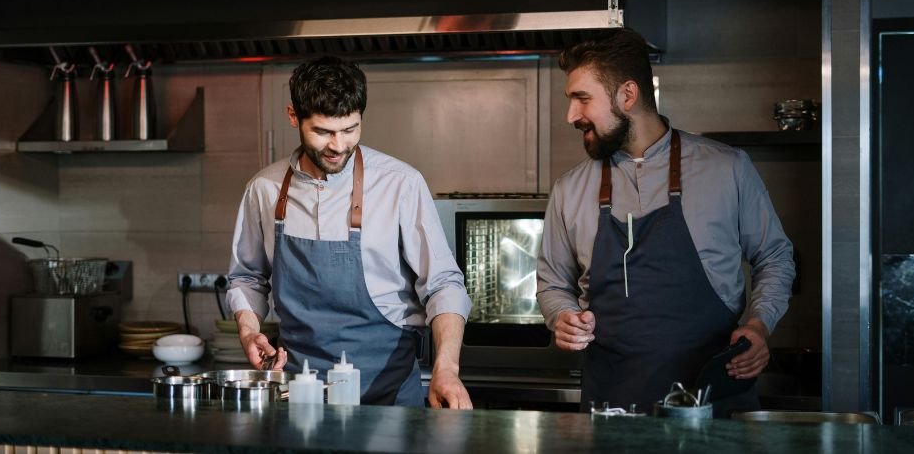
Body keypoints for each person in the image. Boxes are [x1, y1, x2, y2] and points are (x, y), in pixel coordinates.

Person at [536, 28, 796, 417]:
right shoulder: (569, 189)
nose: (571, 115)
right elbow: (553, 284)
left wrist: (759, 325)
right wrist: (563, 317)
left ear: (627, 94)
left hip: (712, 407)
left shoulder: (726, 168)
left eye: (581, 99)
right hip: (613, 409)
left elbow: (775, 256)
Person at [226, 56, 473, 409]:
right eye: (323, 132)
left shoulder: (400, 183)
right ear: (293, 116)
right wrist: (249, 331)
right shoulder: (264, 189)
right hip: (299, 396)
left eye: (350, 129)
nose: (339, 145)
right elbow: (248, 278)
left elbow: (444, 285)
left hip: (387, 398)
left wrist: (446, 368)